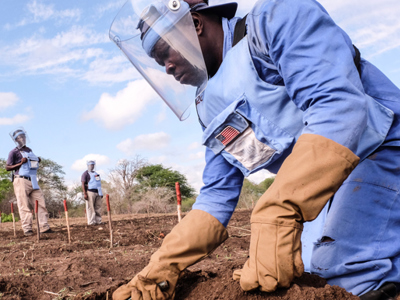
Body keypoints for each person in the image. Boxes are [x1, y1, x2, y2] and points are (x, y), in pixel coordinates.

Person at [109, 0, 400, 299]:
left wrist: (279, 209)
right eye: (159, 63)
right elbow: (216, 196)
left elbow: (340, 108)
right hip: (326, 189)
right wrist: (162, 265)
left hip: (381, 148)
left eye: (164, 52)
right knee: (306, 269)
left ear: (195, 23)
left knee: (342, 272)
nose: (167, 67)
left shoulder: (273, 21)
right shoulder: (210, 105)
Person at [6, 128, 53, 236]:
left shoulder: (29, 150)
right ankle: (27, 229)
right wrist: (20, 163)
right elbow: (8, 167)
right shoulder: (13, 152)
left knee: (41, 202)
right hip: (21, 179)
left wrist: (37, 160)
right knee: (24, 205)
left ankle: (44, 227)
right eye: (19, 137)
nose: (22, 138)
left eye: (23, 136)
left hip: (33, 179)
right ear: (16, 140)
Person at [81, 160, 103, 225]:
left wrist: (100, 192)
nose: (92, 166)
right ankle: (91, 222)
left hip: (97, 192)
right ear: (88, 166)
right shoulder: (85, 174)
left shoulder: (96, 174)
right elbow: (83, 183)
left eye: (93, 165)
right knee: (90, 207)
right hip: (90, 192)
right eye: (90, 165)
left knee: (98, 207)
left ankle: (98, 221)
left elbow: (98, 184)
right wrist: (85, 193)